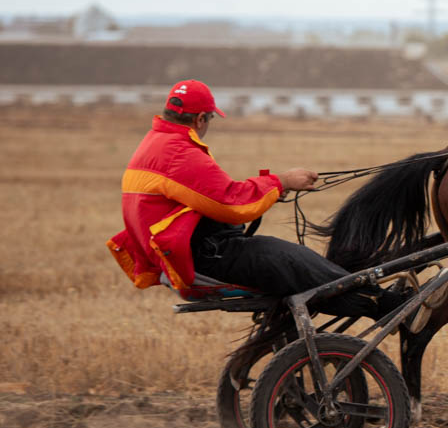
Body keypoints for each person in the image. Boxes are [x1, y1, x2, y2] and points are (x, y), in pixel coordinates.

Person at [107, 79, 408, 319]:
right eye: (210, 119)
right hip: (205, 257)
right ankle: (381, 303)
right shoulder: (178, 153)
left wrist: (272, 187)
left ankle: (370, 296)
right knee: (290, 259)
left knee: (287, 258)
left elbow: (214, 196)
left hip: (192, 250)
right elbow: (231, 203)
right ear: (200, 119)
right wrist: (283, 181)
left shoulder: (156, 143)